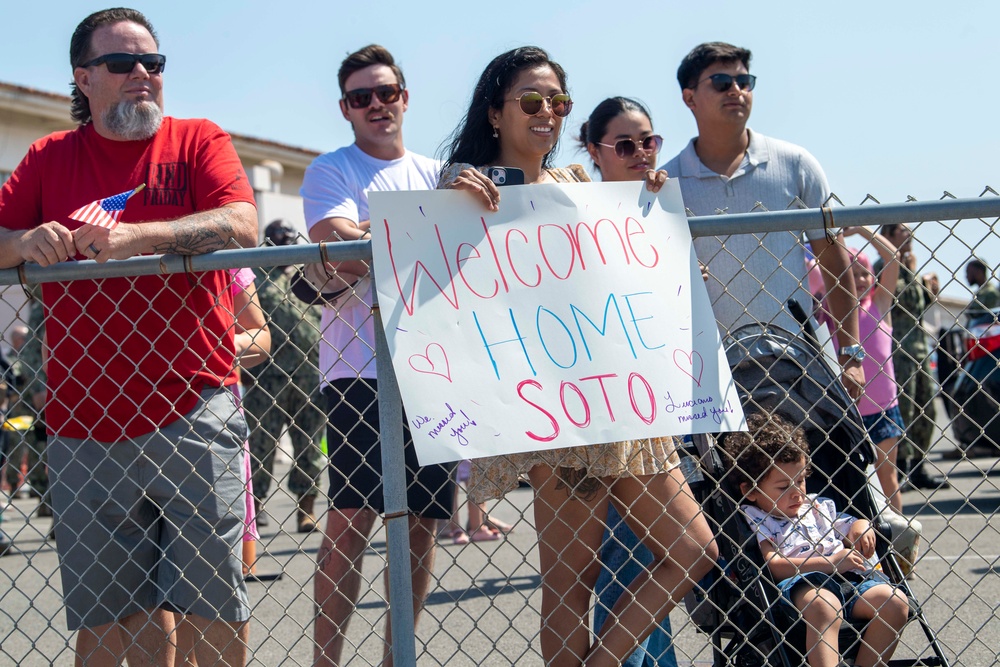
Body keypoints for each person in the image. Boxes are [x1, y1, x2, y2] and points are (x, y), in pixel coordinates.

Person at [439, 46, 717, 667]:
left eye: (558, 102)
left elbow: (607, 276)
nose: (548, 113)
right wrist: (452, 190)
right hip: (556, 413)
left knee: (693, 550)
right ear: (494, 112)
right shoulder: (465, 190)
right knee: (572, 583)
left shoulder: (576, 185)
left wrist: (656, 233)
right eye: (532, 101)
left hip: (626, 399)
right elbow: (436, 275)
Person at [0, 8, 258, 666]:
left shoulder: (198, 141)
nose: (144, 74)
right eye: (122, 64)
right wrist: (21, 241)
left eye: (154, 62)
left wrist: (138, 238)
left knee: (214, 605)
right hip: (85, 425)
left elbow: (242, 223)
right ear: (84, 78)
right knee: (119, 617)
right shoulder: (47, 158)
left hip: (194, 408)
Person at [300, 44, 455, 667]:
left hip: (437, 368)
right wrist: (421, 233)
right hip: (358, 368)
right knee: (350, 523)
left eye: (386, 93)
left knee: (421, 527)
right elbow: (334, 246)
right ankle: (326, 661)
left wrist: (376, 235)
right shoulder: (331, 169)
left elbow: (472, 245)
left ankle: (399, 659)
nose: (376, 106)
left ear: (405, 98)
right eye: (361, 97)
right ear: (345, 108)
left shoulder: (440, 172)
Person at [661, 42, 864, 399]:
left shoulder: (796, 164)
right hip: (709, 371)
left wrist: (850, 353)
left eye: (744, 81)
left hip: (799, 361)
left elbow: (834, 261)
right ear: (689, 98)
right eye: (722, 82)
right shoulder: (667, 183)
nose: (736, 91)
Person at [580, 96, 676, 667]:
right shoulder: (578, 212)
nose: (641, 154)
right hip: (606, 413)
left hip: (658, 406)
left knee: (659, 559)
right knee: (626, 560)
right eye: (624, 145)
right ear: (595, 153)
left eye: (649, 141)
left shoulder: (658, 211)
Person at [724, 412, 909, 667]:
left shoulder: (816, 506)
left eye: (800, 481)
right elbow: (774, 565)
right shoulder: (756, 518)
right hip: (804, 583)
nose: (797, 493)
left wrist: (862, 528)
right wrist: (829, 562)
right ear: (751, 491)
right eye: (783, 487)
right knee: (824, 606)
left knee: (896, 603)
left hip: (852, 579)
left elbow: (850, 524)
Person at [243, 219, 325, 534]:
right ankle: (257, 507)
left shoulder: (309, 276)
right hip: (268, 378)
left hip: (309, 376)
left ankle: (306, 510)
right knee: (261, 446)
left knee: (309, 446)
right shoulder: (256, 278)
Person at [873, 224, 949, 487]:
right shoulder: (883, 267)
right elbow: (895, 298)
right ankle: (901, 467)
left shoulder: (910, 268)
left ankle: (918, 465)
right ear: (889, 237)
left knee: (926, 407)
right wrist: (909, 270)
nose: (909, 236)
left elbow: (918, 305)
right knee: (904, 408)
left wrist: (930, 290)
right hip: (898, 351)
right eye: (903, 232)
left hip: (918, 349)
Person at [840, 228, 905, 512]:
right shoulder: (833, 315)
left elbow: (893, 257)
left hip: (883, 410)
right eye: (852, 275)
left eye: (865, 273)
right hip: (848, 413)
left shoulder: (879, 305)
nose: (861, 280)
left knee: (887, 476)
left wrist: (860, 230)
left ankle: (900, 543)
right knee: (853, 483)